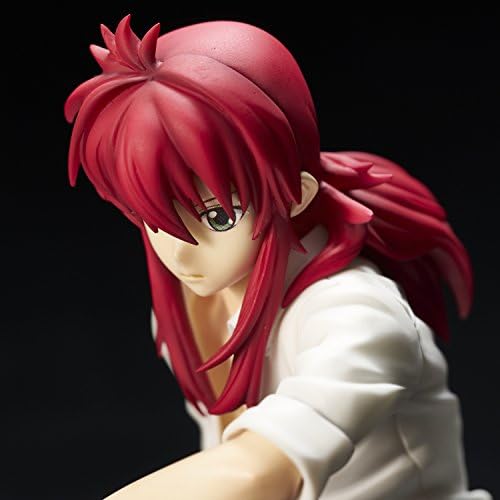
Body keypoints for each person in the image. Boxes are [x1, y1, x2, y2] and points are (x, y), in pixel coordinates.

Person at [64, 14, 492, 500]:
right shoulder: (187, 305)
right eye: (151, 216)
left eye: (217, 217)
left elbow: (259, 470)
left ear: (295, 194)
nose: (178, 250)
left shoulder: (358, 317)